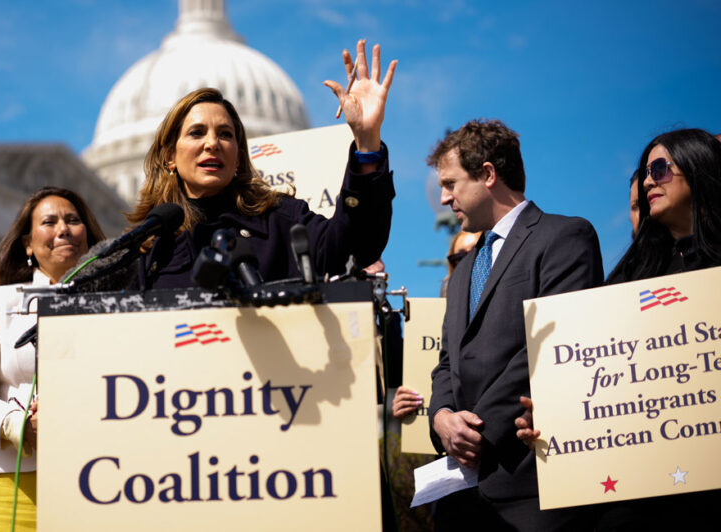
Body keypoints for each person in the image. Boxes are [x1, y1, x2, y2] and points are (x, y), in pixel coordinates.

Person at [517, 128, 721, 529]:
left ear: (700, 169)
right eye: (645, 172)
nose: (648, 181)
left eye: (660, 169)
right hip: (634, 504)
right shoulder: (622, 285)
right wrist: (556, 411)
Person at [427, 119, 604, 530]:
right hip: (462, 495)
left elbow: (550, 347)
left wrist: (476, 433)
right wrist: (441, 419)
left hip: (533, 484)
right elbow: (446, 363)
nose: (443, 197)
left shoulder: (564, 237)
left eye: (451, 184)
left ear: (488, 174)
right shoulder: (464, 269)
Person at [131, 39, 396, 289]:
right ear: (169, 158)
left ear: (237, 157)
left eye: (225, 134)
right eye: (197, 133)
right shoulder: (148, 248)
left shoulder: (279, 222)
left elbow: (353, 246)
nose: (212, 144)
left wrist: (367, 141)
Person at [0, 187, 106, 532]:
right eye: (49, 222)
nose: (63, 229)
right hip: (18, 477)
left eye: (73, 220)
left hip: (102, 473)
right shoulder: (0, 302)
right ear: (28, 244)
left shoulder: (118, 302)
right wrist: (16, 426)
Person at [391, 229, 480, 421]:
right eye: (459, 258)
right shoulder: (430, 322)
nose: (469, 263)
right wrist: (406, 403)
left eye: (477, 252)